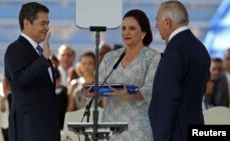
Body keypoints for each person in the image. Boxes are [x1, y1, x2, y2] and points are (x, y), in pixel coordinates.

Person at [85, 9, 160, 140]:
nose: (126, 32)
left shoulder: (153, 57)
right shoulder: (110, 57)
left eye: (132, 28)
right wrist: (90, 92)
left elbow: (151, 90)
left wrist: (131, 95)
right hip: (110, 127)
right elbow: (99, 85)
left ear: (143, 32)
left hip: (138, 129)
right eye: (123, 28)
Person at [149, 1, 210, 141]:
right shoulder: (201, 48)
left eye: (157, 20)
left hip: (176, 133)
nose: (156, 25)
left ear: (168, 22)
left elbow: (168, 100)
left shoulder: (174, 52)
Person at [4, 2, 60, 141]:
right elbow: (20, 80)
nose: (47, 28)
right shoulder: (15, 49)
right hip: (29, 129)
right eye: (42, 23)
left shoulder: (40, 52)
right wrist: (44, 59)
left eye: (48, 23)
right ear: (27, 23)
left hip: (47, 128)